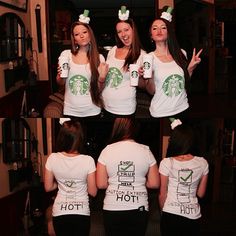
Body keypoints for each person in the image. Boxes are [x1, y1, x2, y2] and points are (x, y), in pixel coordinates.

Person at [96, 117, 160, 235]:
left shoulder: (107, 150)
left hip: (113, 207)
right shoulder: (146, 150)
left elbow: (100, 184)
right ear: (135, 128)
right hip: (139, 207)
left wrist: (115, 181)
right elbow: (155, 183)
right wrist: (140, 181)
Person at [141, 6, 202, 120]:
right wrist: (149, 76)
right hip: (160, 112)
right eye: (155, 28)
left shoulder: (181, 53)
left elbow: (183, 84)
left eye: (163, 27)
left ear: (168, 32)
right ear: (151, 36)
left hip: (183, 108)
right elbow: (151, 91)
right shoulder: (148, 58)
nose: (159, 31)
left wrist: (190, 68)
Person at [44, 119, 97, 236]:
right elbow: (93, 192)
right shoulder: (88, 160)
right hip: (81, 213)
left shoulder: (52, 158)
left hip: (60, 213)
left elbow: (48, 187)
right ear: (80, 139)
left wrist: (61, 183)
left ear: (62, 137)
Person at [159, 119, 209, 236]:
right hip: (193, 215)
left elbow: (162, 194)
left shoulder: (167, 162)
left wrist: (163, 212)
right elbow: (201, 193)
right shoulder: (202, 163)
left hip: (171, 213)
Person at [56, 10, 108, 119]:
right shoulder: (66, 55)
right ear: (74, 40)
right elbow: (61, 83)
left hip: (93, 111)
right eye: (77, 34)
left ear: (90, 34)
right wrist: (60, 76)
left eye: (84, 32)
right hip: (70, 111)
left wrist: (102, 78)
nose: (81, 36)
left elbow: (99, 90)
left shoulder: (99, 58)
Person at [100, 6, 146, 118]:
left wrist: (139, 77)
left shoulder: (142, 55)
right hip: (105, 106)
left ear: (133, 30)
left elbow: (145, 86)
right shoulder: (113, 50)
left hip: (125, 110)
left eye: (126, 30)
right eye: (119, 31)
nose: (123, 34)